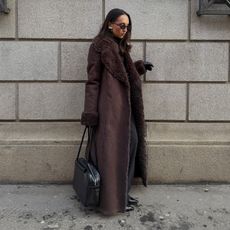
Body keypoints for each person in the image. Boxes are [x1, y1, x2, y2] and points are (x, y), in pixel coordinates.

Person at [81, 8, 153, 216]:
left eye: (128, 26)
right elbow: (92, 81)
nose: (125, 29)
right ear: (110, 24)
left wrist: (139, 66)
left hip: (125, 107)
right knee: (111, 153)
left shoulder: (120, 46)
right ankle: (112, 199)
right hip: (109, 109)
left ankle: (123, 191)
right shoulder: (99, 46)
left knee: (132, 142)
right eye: (122, 25)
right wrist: (90, 113)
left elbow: (124, 73)